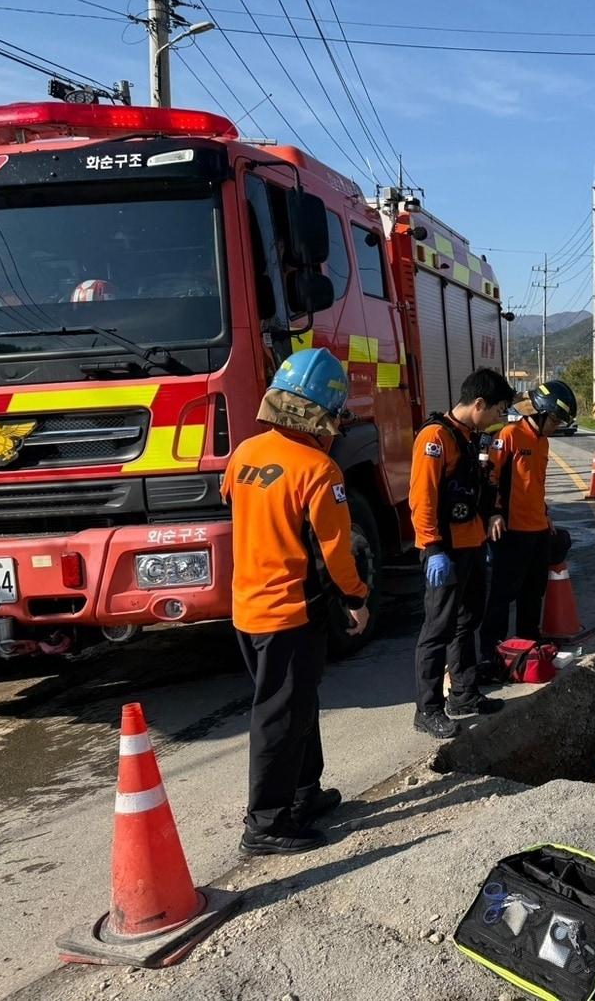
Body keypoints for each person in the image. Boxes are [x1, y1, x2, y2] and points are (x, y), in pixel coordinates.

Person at [223, 348, 369, 855]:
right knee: (280, 718)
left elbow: (237, 511)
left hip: (247, 607)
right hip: (290, 611)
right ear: (324, 413)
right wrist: (357, 599)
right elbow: (337, 552)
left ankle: (303, 796)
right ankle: (265, 823)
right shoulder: (319, 470)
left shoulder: (244, 454)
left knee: (295, 704)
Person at [411, 367, 515, 739]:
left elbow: (481, 488)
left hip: (471, 545)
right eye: (499, 409)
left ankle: (464, 694)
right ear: (479, 403)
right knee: (437, 629)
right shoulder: (435, 437)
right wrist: (433, 547)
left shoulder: (470, 438)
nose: (501, 417)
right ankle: (427, 709)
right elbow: (422, 499)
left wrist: (492, 516)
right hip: (446, 550)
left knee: (466, 622)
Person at [479, 380, 577, 680]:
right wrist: (494, 514)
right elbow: (490, 478)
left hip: (536, 529)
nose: (557, 427)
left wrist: (545, 515)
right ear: (542, 413)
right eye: (556, 420)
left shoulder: (542, 443)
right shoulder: (510, 435)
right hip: (512, 531)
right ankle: (491, 654)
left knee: (533, 593)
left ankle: (527, 647)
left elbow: (536, 485)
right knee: (502, 594)